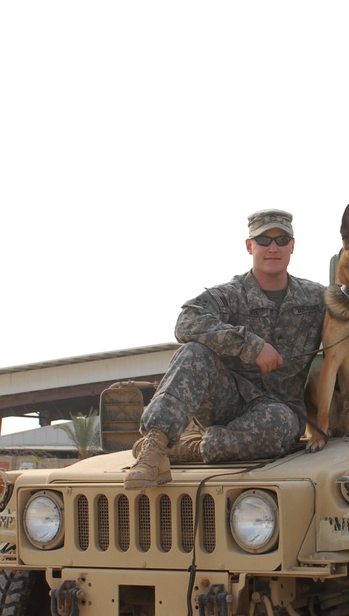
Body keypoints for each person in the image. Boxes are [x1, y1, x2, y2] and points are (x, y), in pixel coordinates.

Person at [125, 209, 325, 489]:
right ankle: (155, 446)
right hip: (226, 400)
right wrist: (250, 346)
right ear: (249, 245)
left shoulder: (315, 298)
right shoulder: (232, 295)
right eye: (264, 240)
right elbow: (186, 321)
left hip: (279, 409)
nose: (273, 248)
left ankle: (190, 450)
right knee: (194, 352)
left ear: (293, 245)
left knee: (279, 425)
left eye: (281, 240)